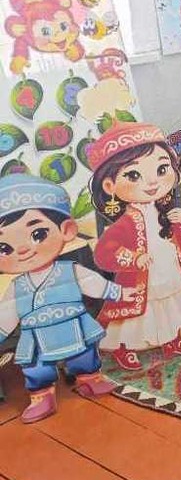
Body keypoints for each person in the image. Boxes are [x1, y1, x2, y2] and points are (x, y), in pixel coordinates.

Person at [0, 175, 128, 423]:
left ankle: (89, 379)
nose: (23, 250)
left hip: (74, 326)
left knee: (84, 355)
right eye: (4, 248)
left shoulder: (70, 270)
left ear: (67, 230)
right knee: (37, 367)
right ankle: (41, 396)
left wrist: (119, 293)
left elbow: (93, 283)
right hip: (36, 336)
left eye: (38, 234)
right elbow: (7, 312)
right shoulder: (17, 287)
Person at [90, 122, 181, 370]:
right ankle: (124, 347)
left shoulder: (166, 212)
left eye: (161, 169)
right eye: (134, 175)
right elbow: (103, 253)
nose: (152, 182)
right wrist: (133, 259)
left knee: (172, 304)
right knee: (136, 317)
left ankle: (172, 338)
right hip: (139, 277)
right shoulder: (123, 223)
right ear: (109, 186)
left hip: (170, 268)